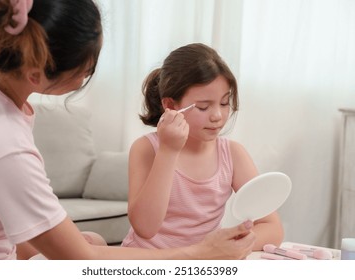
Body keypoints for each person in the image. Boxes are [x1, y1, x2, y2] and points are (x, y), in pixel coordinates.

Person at [0, 0, 255, 260]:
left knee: (92, 240)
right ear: (35, 74)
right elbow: (84, 259)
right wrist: (202, 253)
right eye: (86, 70)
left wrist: (58, 242)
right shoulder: (5, 150)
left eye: (224, 103)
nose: (217, 115)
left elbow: (8, 225)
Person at [121, 43, 284, 250]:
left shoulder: (232, 154)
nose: (217, 116)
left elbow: (272, 228)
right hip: (150, 262)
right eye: (203, 107)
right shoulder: (147, 149)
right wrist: (169, 150)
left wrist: (228, 245)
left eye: (224, 103)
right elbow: (145, 227)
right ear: (170, 106)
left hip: (201, 264)